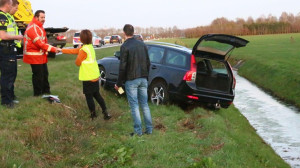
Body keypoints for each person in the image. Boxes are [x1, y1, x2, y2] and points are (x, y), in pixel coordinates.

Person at [62, 29, 111, 120]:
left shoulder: (83, 50)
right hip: (95, 76)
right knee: (97, 95)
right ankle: (105, 112)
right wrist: (62, 50)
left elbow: (77, 63)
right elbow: (75, 50)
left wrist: (79, 53)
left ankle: (93, 115)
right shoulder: (90, 47)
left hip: (88, 77)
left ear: (81, 39)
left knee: (89, 97)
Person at [114, 24, 152, 136]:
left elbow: (122, 67)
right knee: (144, 104)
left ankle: (138, 132)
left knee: (134, 106)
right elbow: (148, 62)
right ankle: (149, 129)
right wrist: (146, 76)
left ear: (124, 33)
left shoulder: (125, 46)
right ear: (133, 32)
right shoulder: (142, 44)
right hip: (143, 79)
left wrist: (118, 84)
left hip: (131, 80)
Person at [23, 10, 61, 96]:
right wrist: (53, 49)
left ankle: (46, 92)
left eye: (44, 17)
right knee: (38, 76)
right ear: (36, 17)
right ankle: (38, 94)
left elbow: (43, 42)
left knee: (44, 74)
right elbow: (39, 43)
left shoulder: (39, 26)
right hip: (34, 56)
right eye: (42, 17)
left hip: (40, 56)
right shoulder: (33, 28)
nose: (44, 19)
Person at [0, 0, 23, 108]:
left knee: (10, 74)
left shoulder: (6, 16)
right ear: (8, 4)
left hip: (8, 48)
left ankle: (10, 98)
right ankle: (6, 101)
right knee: (7, 76)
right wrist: (18, 37)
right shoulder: (2, 16)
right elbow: (3, 35)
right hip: (5, 49)